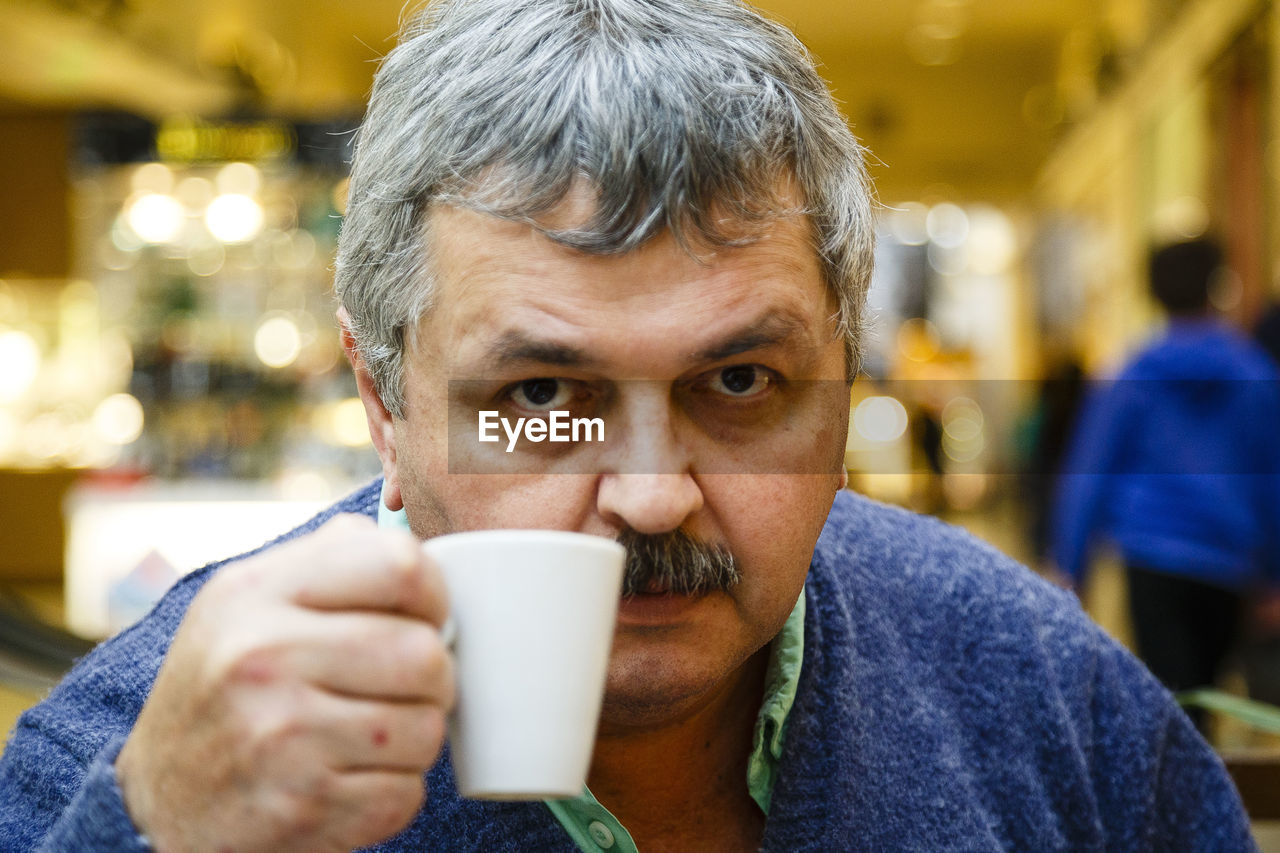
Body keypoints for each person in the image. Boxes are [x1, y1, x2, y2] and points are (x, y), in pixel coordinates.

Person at [0, 2, 1254, 850]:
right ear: (382, 399)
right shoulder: (133, 764)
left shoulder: (1044, 701)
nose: (651, 495)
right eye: (541, 397)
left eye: (742, 384)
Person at [1051, 238, 1280, 730]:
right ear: (1218, 287)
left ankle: (1181, 798)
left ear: (1151, 292)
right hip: (1228, 561)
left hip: (1151, 557)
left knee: (1172, 698)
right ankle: (1205, 793)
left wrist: (1071, 566)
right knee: (1210, 696)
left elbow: (1089, 471)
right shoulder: (1255, 374)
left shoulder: (1132, 375)